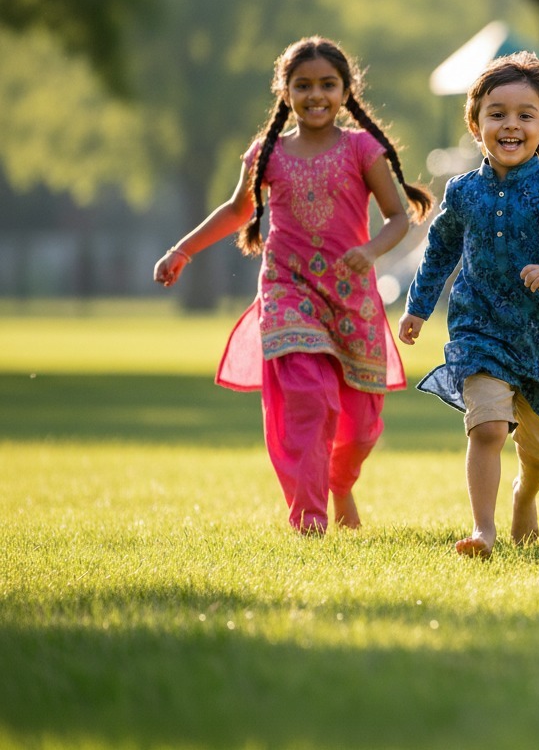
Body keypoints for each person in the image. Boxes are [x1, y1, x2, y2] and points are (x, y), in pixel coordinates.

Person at [153, 36, 432, 535]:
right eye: (302, 85)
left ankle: (339, 484)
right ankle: (309, 518)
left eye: (328, 84)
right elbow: (238, 210)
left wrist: (369, 252)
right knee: (308, 398)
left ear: (347, 90)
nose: (316, 95)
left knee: (362, 427)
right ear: (284, 91)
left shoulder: (361, 149)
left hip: (351, 299)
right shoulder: (267, 153)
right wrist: (183, 250)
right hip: (288, 290)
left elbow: (397, 218)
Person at [398, 52, 539, 557]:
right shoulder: (463, 191)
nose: (510, 125)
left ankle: (525, 496)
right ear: (476, 124)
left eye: (525, 115)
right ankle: (483, 530)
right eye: (497, 114)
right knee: (488, 426)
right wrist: (418, 307)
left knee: (538, 453)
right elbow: (441, 251)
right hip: (479, 328)